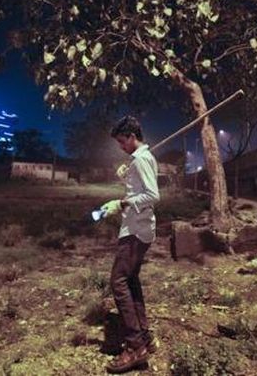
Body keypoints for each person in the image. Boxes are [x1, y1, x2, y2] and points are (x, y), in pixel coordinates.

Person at [101, 115, 160, 374]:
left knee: (119, 282)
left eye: (122, 142)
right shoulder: (137, 160)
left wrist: (122, 203)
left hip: (136, 231)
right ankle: (144, 336)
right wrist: (127, 181)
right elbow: (140, 190)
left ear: (132, 137)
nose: (121, 147)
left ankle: (135, 347)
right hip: (136, 227)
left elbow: (152, 195)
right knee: (131, 280)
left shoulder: (143, 159)